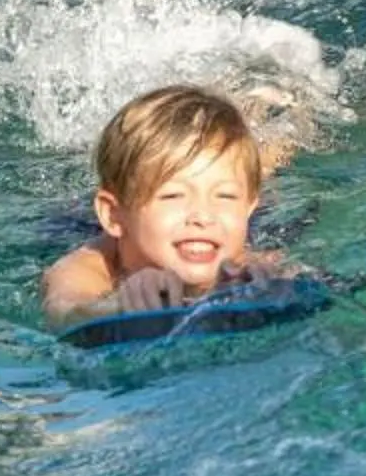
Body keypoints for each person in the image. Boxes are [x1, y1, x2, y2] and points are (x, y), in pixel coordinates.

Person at [39, 83, 280, 330]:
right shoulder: (91, 265)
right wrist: (118, 304)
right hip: (82, 224)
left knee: (257, 165)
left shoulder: (245, 263)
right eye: (173, 196)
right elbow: (65, 311)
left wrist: (272, 282)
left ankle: (277, 115)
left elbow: (301, 278)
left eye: (226, 196)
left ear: (249, 208)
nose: (203, 216)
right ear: (113, 215)